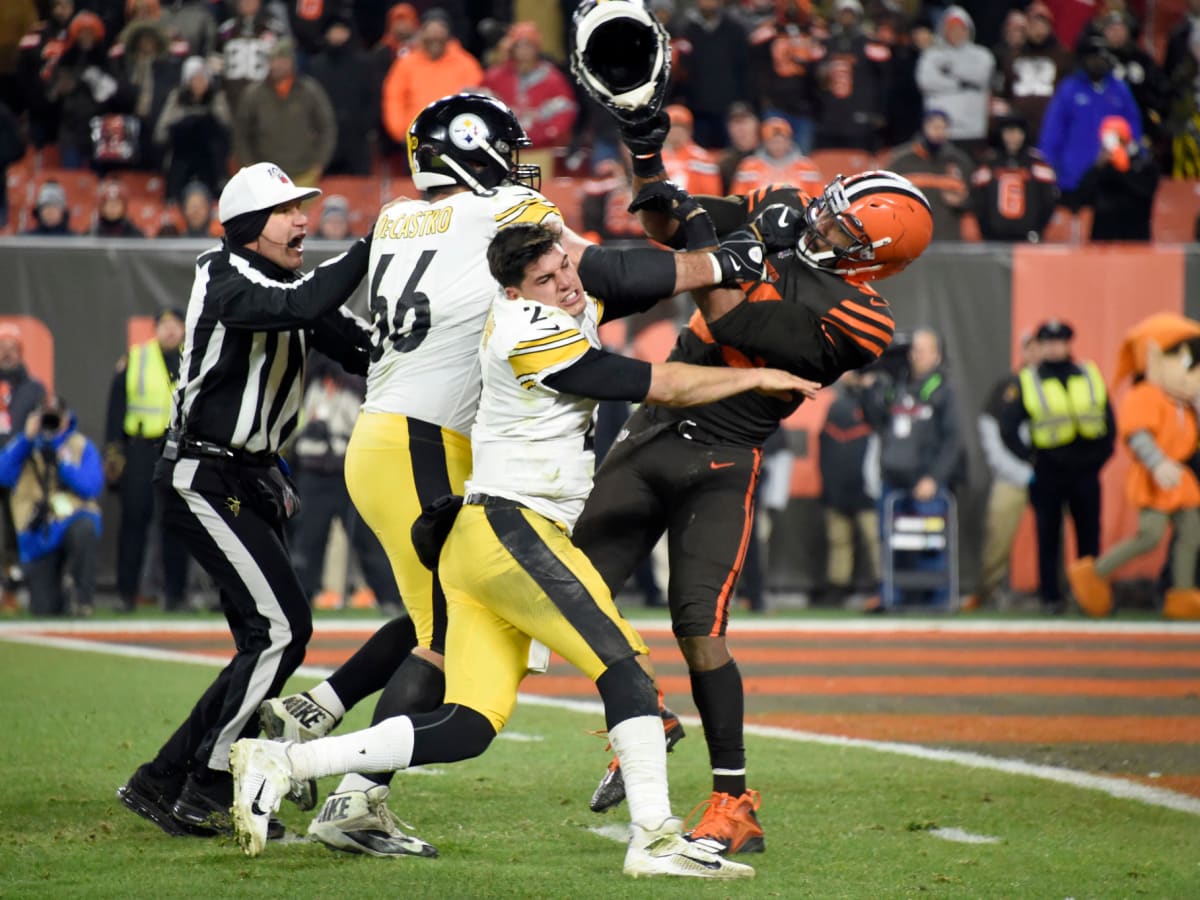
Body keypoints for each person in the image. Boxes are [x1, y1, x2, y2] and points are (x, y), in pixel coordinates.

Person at [228, 221, 816, 876]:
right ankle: (654, 837)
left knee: (470, 724)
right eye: (547, 278)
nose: (566, 282)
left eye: (566, 267)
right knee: (624, 663)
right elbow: (665, 385)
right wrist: (755, 373)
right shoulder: (527, 329)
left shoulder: (549, 307)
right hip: (513, 529)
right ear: (514, 292)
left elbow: (621, 287)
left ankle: (282, 763)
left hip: (483, 542)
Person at [256, 92, 746, 857]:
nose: (520, 167)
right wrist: (718, 261)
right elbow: (606, 271)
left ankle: (321, 735)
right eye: (505, 150)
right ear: (474, 150)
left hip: (395, 435)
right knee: (443, 642)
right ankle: (339, 784)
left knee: (442, 640)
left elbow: (564, 303)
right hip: (426, 439)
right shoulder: (503, 210)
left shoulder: (396, 217)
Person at [116, 161, 375, 840]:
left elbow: (365, 350)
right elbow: (295, 307)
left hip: (249, 479)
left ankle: (164, 778)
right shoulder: (223, 273)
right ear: (249, 225)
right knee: (283, 630)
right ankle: (208, 782)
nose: (303, 221)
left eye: (302, 209)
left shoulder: (292, 283)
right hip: (201, 475)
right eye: (288, 210)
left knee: (264, 642)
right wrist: (375, 246)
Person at [1068, 314, 1200, 621]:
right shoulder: (1145, 395)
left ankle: (1181, 593)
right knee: (1150, 535)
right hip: (1157, 476)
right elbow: (1138, 435)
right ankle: (1093, 575)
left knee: (1192, 533)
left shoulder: (1183, 402)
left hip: (1182, 477)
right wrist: (1157, 463)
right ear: (1154, 358)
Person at [999, 319, 1115, 614]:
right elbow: (1008, 427)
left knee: (1089, 537)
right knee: (1048, 537)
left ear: (1068, 344)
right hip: (1049, 470)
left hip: (1086, 470)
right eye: (1047, 343)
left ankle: (1089, 596)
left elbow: (1108, 419)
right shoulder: (1029, 379)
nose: (1054, 347)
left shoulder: (1088, 374)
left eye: (1059, 342)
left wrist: (1101, 456)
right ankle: (1051, 597)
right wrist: (1032, 459)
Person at [287, 351, 401, 614]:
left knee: (367, 540)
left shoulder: (355, 390)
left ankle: (389, 597)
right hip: (313, 474)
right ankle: (302, 596)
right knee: (308, 540)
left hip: (346, 473)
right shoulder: (309, 387)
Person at [861, 328, 965, 609]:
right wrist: (870, 388)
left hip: (926, 481)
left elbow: (953, 440)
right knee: (890, 542)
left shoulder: (943, 390)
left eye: (921, 350)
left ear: (937, 355)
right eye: (913, 350)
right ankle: (893, 596)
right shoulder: (897, 385)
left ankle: (937, 599)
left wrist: (934, 477)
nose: (914, 355)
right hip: (893, 479)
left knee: (930, 541)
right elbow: (876, 421)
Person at [103, 307, 188, 612]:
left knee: (177, 523)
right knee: (134, 521)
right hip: (140, 448)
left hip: (177, 449)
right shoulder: (135, 359)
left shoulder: (193, 359)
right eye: (164, 324)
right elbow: (116, 407)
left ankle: (176, 597)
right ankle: (126, 595)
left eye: (175, 325)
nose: (170, 331)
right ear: (155, 329)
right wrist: (115, 451)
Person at [0, 394, 102, 617]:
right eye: (45, 417)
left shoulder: (80, 445)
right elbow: (3, 474)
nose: (51, 423)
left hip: (72, 521)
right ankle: (58, 594)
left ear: (67, 418)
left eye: (56, 417)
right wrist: (27, 440)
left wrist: (61, 461)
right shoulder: (24, 444)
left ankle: (82, 599)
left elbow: (91, 486)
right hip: (39, 530)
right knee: (44, 609)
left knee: (84, 529)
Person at [965, 331, 1039, 611]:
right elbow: (990, 428)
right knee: (998, 532)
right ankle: (989, 590)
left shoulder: (1061, 382)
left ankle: (1055, 590)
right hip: (1014, 473)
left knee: (1055, 535)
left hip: (1052, 473)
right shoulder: (1011, 385)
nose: (1039, 353)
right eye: (1033, 347)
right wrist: (1015, 470)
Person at [1038, 34, 1142, 209]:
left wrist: (1135, 158)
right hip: (1073, 176)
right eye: (1093, 57)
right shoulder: (1069, 89)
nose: (1097, 62)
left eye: (1101, 56)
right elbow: (1052, 131)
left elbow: (1134, 128)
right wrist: (1048, 166)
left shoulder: (1120, 90)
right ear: (1083, 59)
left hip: (1114, 178)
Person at [233, 37, 336, 187]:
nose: (276, 65)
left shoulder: (309, 91)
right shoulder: (253, 95)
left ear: (291, 62)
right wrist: (249, 166)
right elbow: (241, 135)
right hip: (266, 178)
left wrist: (319, 163)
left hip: (304, 173)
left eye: (281, 60)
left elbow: (327, 127)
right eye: (272, 60)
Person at [380, 9, 483, 150]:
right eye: (430, 30)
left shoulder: (466, 64)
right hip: (417, 140)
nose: (435, 36)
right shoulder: (405, 64)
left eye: (439, 31)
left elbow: (478, 101)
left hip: (456, 142)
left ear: (448, 34)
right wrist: (400, 132)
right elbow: (393, 98)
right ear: (421, 33)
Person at [818, 370, 879, 608]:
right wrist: (828, 485)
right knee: (838, 540)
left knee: (875, 538)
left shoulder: (875, 403)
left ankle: (883, 585)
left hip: (867, 488)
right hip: (838, 486)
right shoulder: (836, 406)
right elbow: (826, 448)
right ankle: (837, 588)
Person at [0, 324, 47, 613]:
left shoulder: (33, 388)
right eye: (2, 347)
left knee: (18, 530)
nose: (7, 353)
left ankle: (16, 589)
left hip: (21, 470)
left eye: (12, 347)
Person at [915, 5, 995, 158]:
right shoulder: (932, 55)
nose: (956, 32)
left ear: (968, 30)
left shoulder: (982, 55)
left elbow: (981, 76)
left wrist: (949, 69)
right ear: (944, 30)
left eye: (960, 28)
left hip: (973, 131)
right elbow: (927, 82)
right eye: (952, 28)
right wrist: (961, 84)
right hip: (941, 132)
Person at [885, 108, 975, 242]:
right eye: (934, 127)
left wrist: (961, 202)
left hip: (947, 236)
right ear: (924, 127)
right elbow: (885, 196)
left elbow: (974, 200)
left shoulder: (960, 161)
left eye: (943, 128)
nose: (939, 132)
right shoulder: (900, 160)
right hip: (908, 235)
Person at [153, 55, 233, 203]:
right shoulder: (176, 98)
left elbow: (226, 127)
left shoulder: (216, 98)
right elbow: (161, 133)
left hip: (210, 159)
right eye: (194, 79)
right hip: (182, 156)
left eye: (202, 79)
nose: (198, 83)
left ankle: (220, 184)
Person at [969, 114, 1059, 243]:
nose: (1012, 138)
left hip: (1028, 238)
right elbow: (978, 200)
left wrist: (1037, 229)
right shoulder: (988, 163)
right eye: (1008, 132)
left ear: (1024, 134)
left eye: (1017, 132)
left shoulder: (1038, 163)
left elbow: (1049, 200)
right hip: (994, 238)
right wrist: (986, 231)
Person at [1075, 115, 1159, 242]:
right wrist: (1097, 168)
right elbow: (1081, 198)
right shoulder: (1102, 168)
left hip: (1135, 241)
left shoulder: (1144, 165)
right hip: (1103, 242)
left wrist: (1123, 168)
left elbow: (1145, 193)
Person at [730, 116, 823, 197]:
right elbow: (738, 200)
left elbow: (818, 201)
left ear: (789, 141)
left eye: (782, 140)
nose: (778, 146)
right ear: (765, 142)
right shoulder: (748, 167)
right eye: (773, 142)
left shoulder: (807, 167)